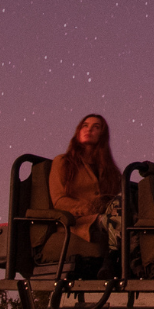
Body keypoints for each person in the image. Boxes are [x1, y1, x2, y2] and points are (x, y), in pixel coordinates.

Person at [49, 113, 120, 277]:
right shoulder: (63, 162)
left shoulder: (111, 171)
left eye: (96, 127)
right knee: (115, 219)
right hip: (80, 223)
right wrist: (92, 209)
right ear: (78, 130)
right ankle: (112, 261)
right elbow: (59, 201)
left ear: (102, 135)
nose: (89, 130)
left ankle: (113, 260)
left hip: (111, 218)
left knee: (122, 210)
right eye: (85, 125)